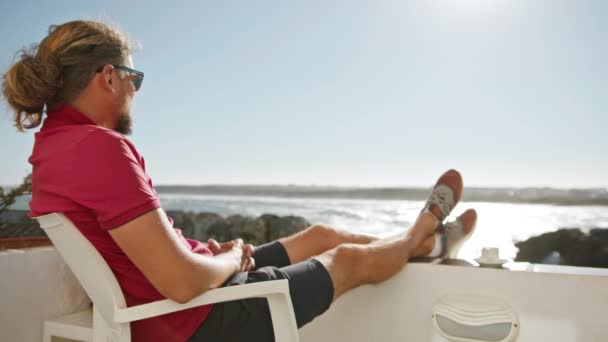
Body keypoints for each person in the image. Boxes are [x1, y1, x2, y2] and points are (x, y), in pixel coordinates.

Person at [2, 20, 477, 342]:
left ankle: (425, 246)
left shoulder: (52, 149)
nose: (134, 92)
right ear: (108, 77)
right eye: (134, 78)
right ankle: (421, 236)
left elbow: (142, 251)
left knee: (321, 236)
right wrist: (228, 258)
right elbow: (184, 284)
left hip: (177, 301)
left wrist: (207, 253)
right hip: (195, 321)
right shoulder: (99, 148)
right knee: (347, 258)